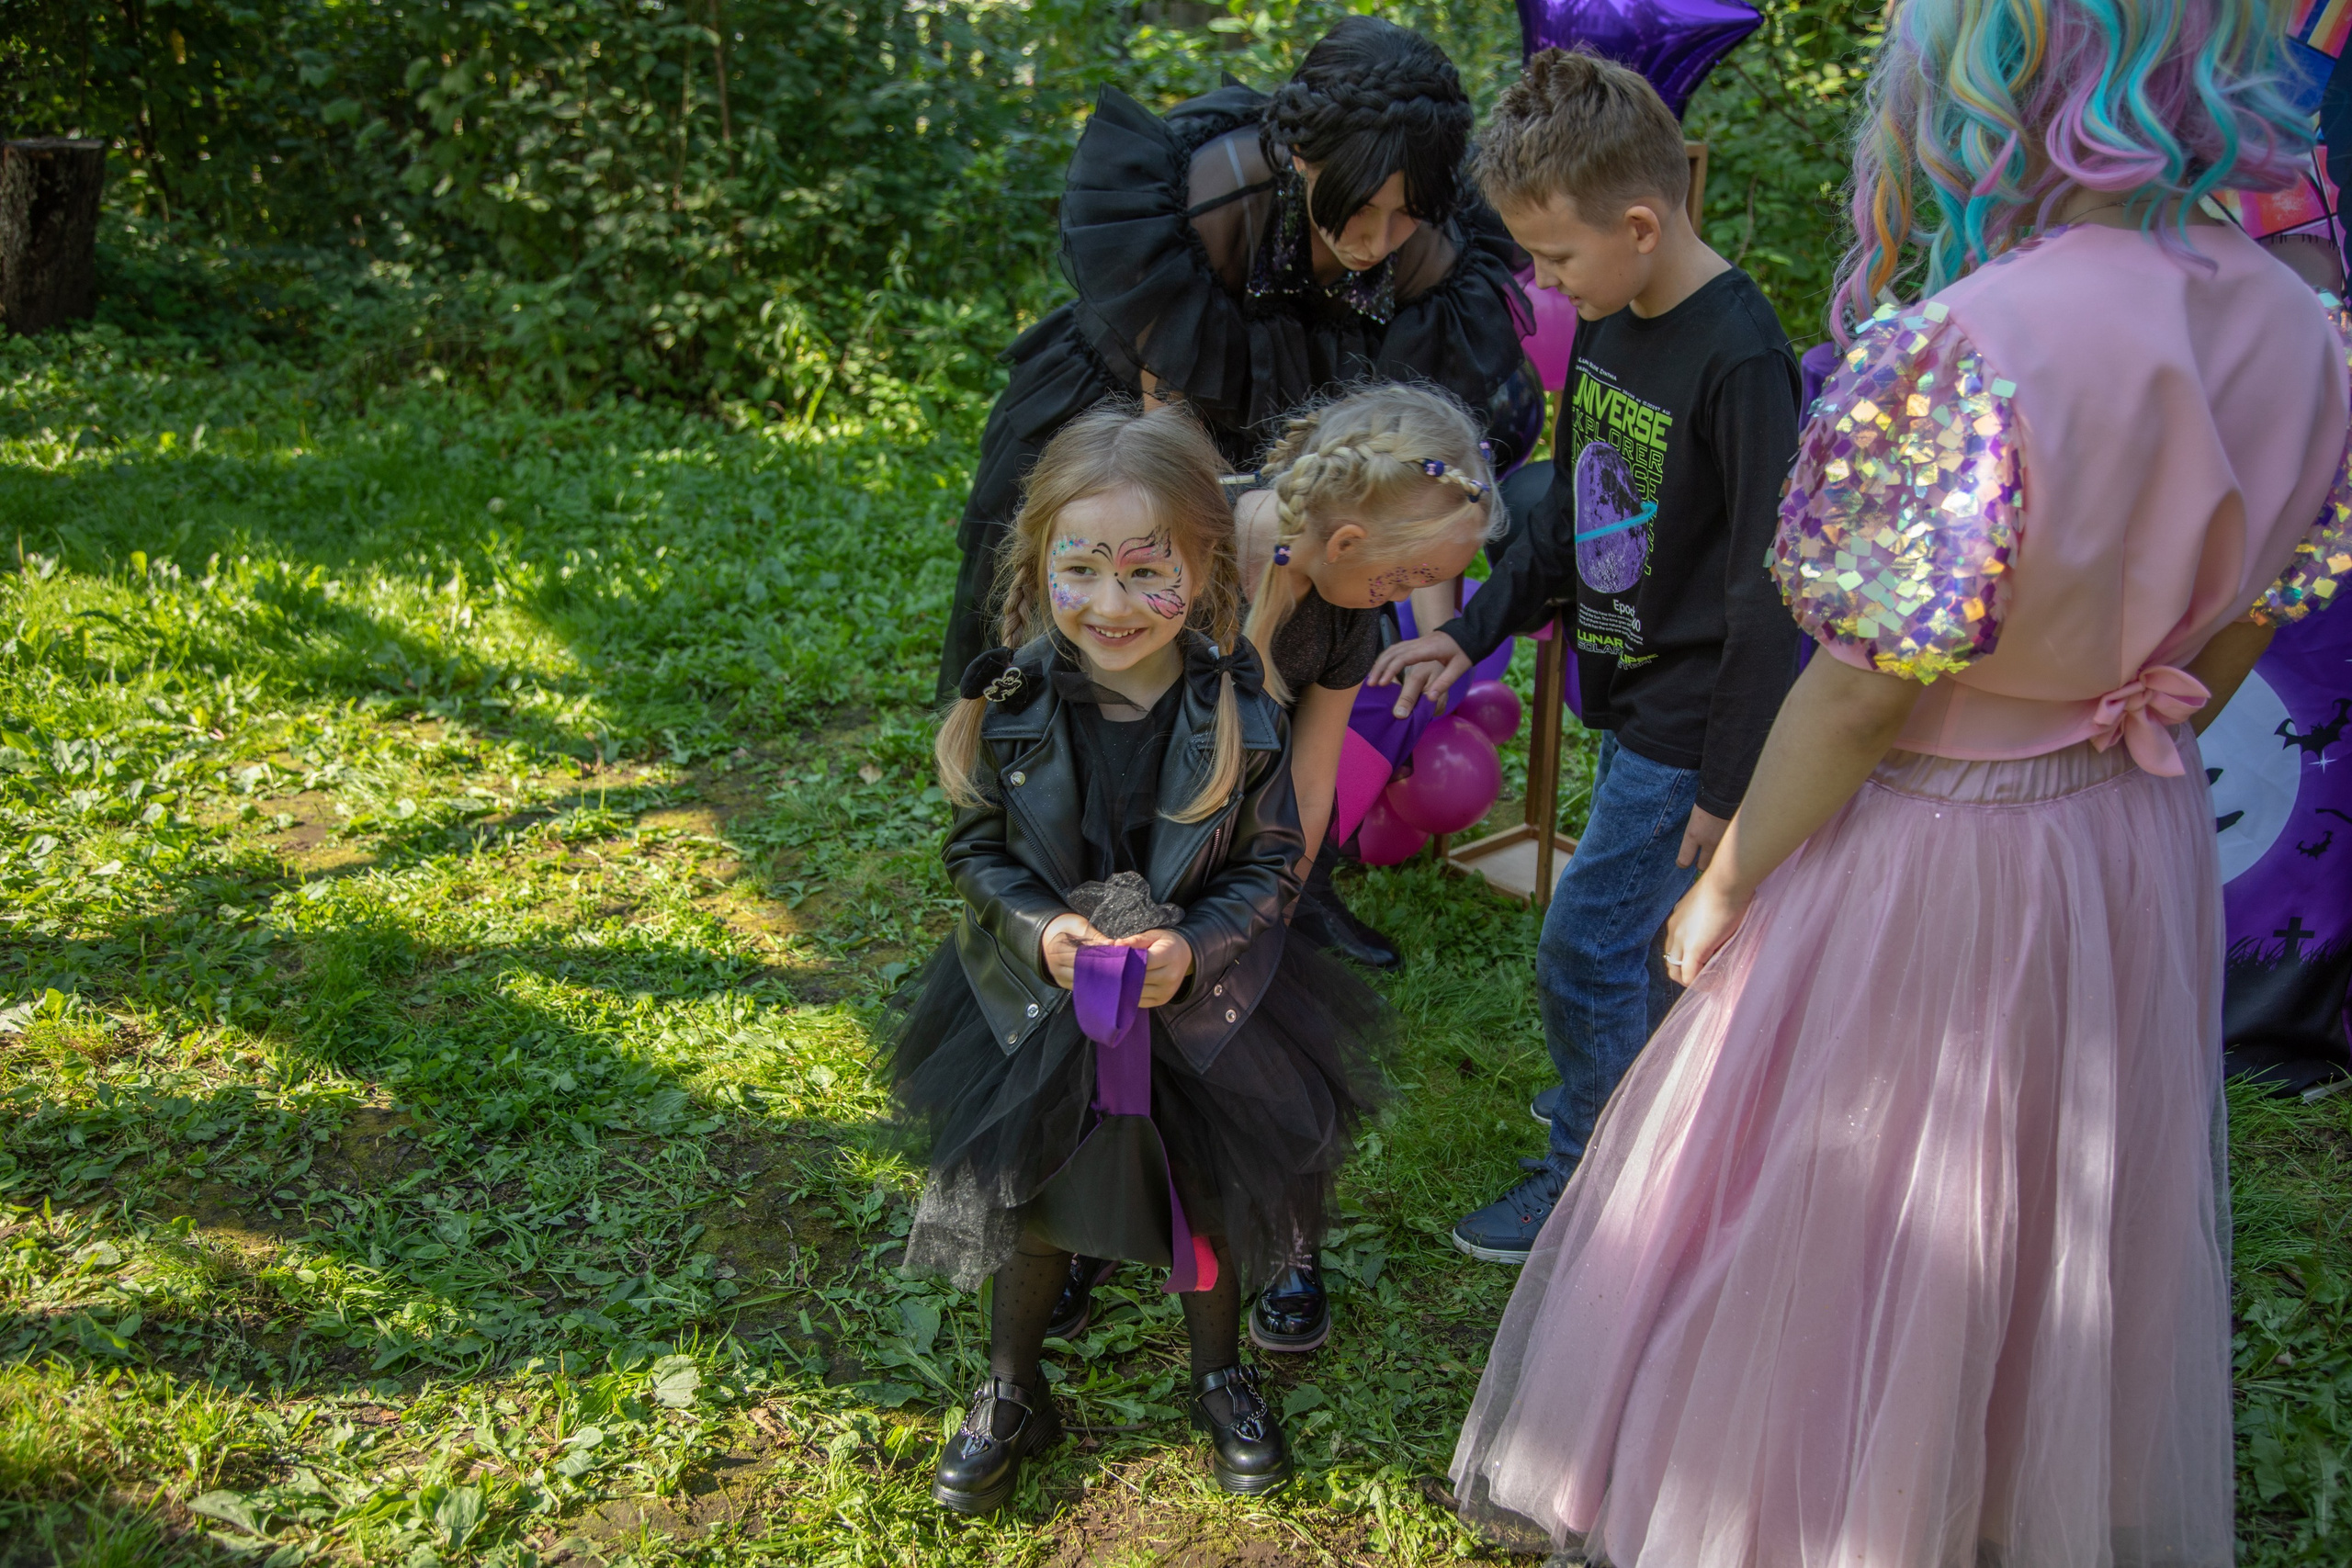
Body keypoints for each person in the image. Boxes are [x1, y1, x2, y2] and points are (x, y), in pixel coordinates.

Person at [1448, 0, 2351, 1557]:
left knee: (1848, 1188)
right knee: (2064, 1199)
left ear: (1978, 92)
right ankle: (2009, 1492)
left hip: (1944, 841)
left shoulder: (1967, 341)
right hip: (2128, 829)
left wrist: (1725, 882)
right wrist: (2125, 698)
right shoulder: (2300, 324)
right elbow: (2267, 602)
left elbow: (1864, 690)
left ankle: (1829, 1507)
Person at [886, 403, 1389, 1514]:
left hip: (1202, 1001)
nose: (1110, 605)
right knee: (1028, 1189)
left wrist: (1194, 947)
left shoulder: (1239, 708)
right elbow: (976, 853)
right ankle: (1012, 1386)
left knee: (1201, 1187)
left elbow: (1269, 868)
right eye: (1081, 569)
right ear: (1039, 562)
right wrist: (1042, 931)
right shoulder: (1013, 703)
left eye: (1143, 571)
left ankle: (1219, 1374)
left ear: (1207, 567)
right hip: (1039, 998)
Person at [1367, 50, 1802, 1263]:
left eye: (1556, 258)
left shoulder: (1740, 354)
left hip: (1695, 718)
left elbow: (1771, 585)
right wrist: (1469, 627)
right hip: (1628, 692)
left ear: (1644, 222)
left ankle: (1587, 1180)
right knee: (1653, 953)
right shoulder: (1615, 319)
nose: (1549, 285)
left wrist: (1727, 783)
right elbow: (1568, 509)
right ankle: (1644, 1130)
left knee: (1586, 942)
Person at [1047, 383, 1503, 1359]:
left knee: (1265, 1059)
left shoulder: (1340, 609)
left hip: (1250, 861)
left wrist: (1272, 898)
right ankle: (1092, 1228)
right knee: (1100, 1052)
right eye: (1401, 582)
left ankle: (1293, 1245)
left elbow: (1312, 767)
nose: (1401, 606)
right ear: (1344, 546)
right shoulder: (1175, 550)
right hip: (1121, 834)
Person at [936, 16, 1534, 704]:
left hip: (1286, 461)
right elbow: (1166, 441)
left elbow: (1415, 456)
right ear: (1304, 158)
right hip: (1132, 427)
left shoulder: (1436, 260)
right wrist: (1227, 545)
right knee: (1086, 642)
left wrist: (1438, 626)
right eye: (1360, 207)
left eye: (1405, 215)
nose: (1377, 239)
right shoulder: (1212, 201)